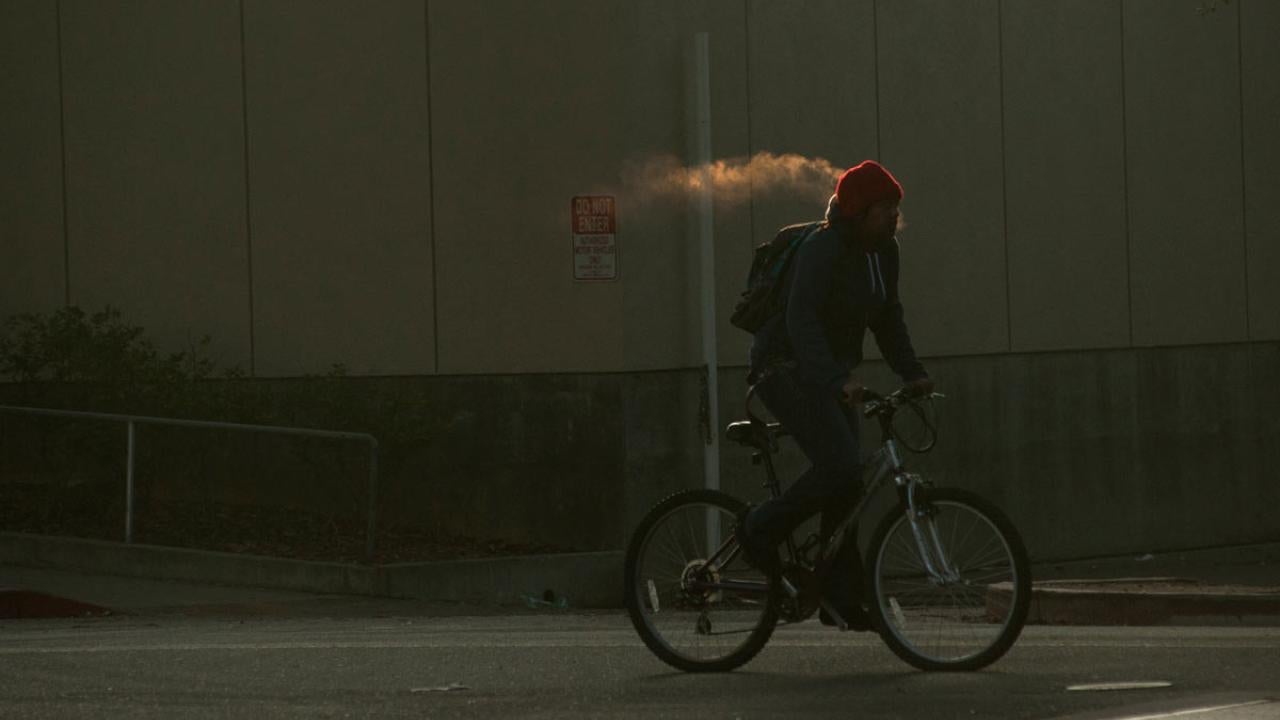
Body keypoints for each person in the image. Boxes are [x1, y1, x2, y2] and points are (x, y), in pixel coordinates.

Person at [737, 160, 934, 629]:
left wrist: (913, 374)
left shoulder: (884, 254)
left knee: (850, 482)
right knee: (840, 464)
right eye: (885, 208)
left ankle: (839, 593)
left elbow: (888, 318)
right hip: (781, 367)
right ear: (859, 212)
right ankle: (759, 530)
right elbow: (800, 322)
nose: (894, 217)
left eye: (896, 208)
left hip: (827, 374)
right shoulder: (824, 249)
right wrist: (836, 380)